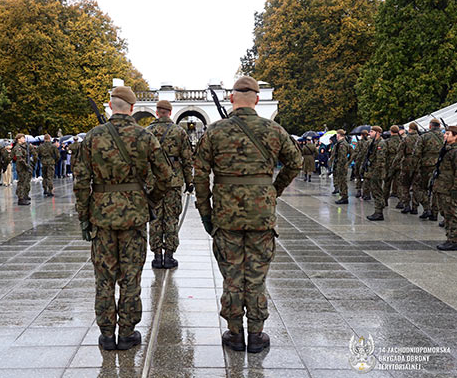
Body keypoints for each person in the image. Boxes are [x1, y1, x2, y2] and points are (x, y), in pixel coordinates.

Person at [194, 76, 302, 353]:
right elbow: (295, 163)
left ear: (231, 98)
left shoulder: (215, 132)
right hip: (261, 216)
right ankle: (256, 335)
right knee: (255, 277)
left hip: (226, 217)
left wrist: (206, 212)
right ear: (256, 99)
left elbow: (200, 175)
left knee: (232, 276)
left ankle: (234, 333)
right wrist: (272, 190)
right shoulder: (274, 130)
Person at [74, 86, 172, 351]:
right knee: (131, 276)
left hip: (102, 216)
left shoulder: (92, 137)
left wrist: (84, 216)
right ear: (131, 108)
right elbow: (165, 176)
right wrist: (150, 200)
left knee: (104, 277)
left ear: (110, 105)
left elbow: (81, 181)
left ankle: (107, 334)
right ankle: (127, 332)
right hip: (134, 216)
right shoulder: (145, 136)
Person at [146, 100, 194, 269]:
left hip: (153, 180)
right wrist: (190, 182)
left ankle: (157, 256)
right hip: (174, 180)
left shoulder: (148, 132)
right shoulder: (179, 131)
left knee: (155, 218)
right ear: (170, 112)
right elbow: (187, 160)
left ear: (157, 112)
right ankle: (169, 256)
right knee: (172, 218)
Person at [414, 118, 444, 221]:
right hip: (440, 166)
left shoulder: (424, 136)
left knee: (421, 188)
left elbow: (416, 153)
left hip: (425, 166)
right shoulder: (445, 136)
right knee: (435, 189)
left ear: (430, 126)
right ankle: (434, 213)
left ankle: (427, 208)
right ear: (439, 126)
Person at [434, 125, 457, 250]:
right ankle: (450, 237)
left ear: (455, 136)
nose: (444, 135)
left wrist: (454, 190)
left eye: (448, 134)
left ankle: (453, 240)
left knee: (452, 214)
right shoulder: (447, 149)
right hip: (443, 187)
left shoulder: (455, 151)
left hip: (450, 189)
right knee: (446, 213)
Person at [396, 122, 421, 214]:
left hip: (406, 164)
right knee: (416, 187)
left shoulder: (405, 139)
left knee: (405, 186)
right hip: (417, 164)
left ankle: (406, 205)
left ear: (409, 129)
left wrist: (394, 165)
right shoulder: (420, 138)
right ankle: (415, 207)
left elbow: (400, 153)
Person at [364, 126, 387, 221]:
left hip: (377, 171)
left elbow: (380, 160)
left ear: (378, 132)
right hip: (373, 170)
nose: (370, 133)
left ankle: (379, 212)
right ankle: (378, 211)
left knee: (377, 191)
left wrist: (376, 173)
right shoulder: (373, 143)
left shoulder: (381, 143)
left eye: (372, 131)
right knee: (375, 191)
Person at [384, 125, 402, 207]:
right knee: (399, 183)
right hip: (399, 164)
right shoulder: (402, 140)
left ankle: (384, 201)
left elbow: (385, 153)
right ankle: (401, 202)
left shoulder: (387, 141)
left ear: (391, 132)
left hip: (390, 164)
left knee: (387, 183)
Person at [333, 130, 353, 204]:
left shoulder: (342, 144)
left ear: (338, 135)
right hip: (340, 165)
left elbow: (342, 157)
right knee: (341, 181)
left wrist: (345, 164)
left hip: (341, 166)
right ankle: (343, 196)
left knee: (342, 181)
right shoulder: (341, 143)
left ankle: (344, 197)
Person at [12, 134, 31, 205]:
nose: (24, 139)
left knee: (24, 182)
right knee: (21, 182)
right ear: (18, 139)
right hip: (21, 167)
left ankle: (23, 196)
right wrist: (26, 165)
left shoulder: (23, 147)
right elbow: (19, 158)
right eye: (23, 138)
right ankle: (20, 198)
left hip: (23, 166)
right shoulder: (18, 147)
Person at [353, 130, 370, 199]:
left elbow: (356, 152)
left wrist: (354, 159)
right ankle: (366, 192)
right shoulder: (369, 142)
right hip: (366, 162)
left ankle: (359, 191)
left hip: (359, 161)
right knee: (366, 177)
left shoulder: (359, 142)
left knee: (358, 176)